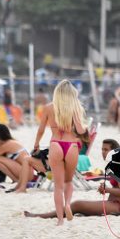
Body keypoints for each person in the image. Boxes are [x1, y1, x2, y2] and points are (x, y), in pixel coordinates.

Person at [24, 139, 120, 218]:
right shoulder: (114, 164)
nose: (103, 152)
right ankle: (46, 215)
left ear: (113, 152)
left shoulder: (119, 166)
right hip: (114, 203)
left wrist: (107, 189)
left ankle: (42, 216)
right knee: (78, 206)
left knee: (77, 205)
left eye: (106, 149)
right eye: (102, 149)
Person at [34, 79, 87, 225]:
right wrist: (84, 125)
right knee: (68, 181)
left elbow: (41, 130)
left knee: (57, 186)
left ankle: (59, 220)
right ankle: (68, 205)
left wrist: (36, 144)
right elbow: (81, 130)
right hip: (71, 146)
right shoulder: (75, 108)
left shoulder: (48, 107)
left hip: (56, 144)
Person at [0, 124, 31, 193]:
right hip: (28, 172)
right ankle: (16, 180)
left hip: (26, 173)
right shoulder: (11, 142)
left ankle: (15, 180)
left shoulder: (6, 145)